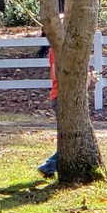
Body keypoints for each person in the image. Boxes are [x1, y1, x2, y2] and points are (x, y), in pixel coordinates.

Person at [36, 47, 59, 178]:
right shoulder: (56, 49)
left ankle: (50, 167)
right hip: (60, 96)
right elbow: (57, 73)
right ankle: (48, 166)